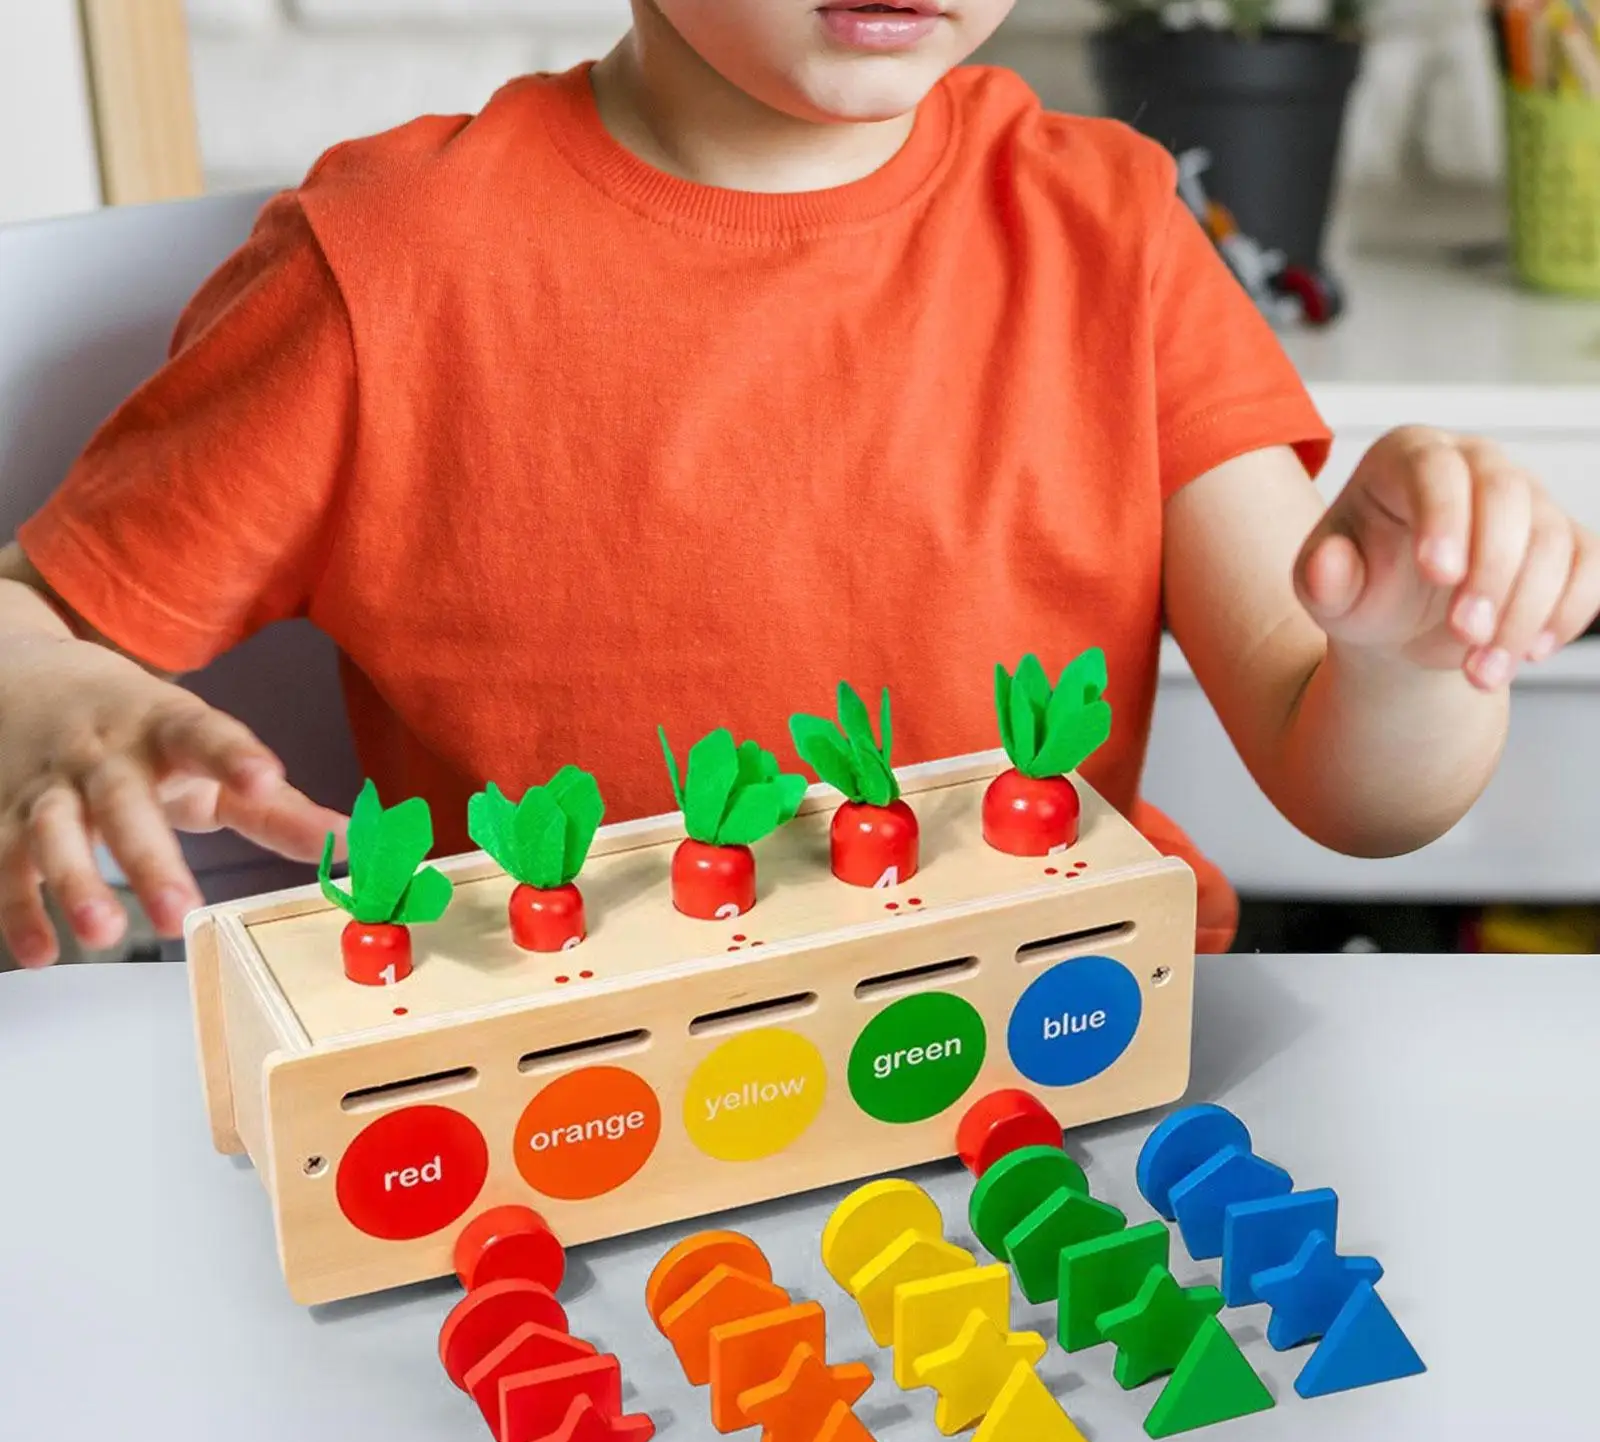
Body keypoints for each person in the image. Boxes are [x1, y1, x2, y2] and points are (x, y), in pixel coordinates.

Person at [0, 0, 1595, 970]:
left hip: (1059, 1070)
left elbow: (1353, 790)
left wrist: (1414, 650)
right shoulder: (382, 266)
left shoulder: (1115, 233)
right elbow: (29, 620)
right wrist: (45, 697)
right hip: (576, 1124)